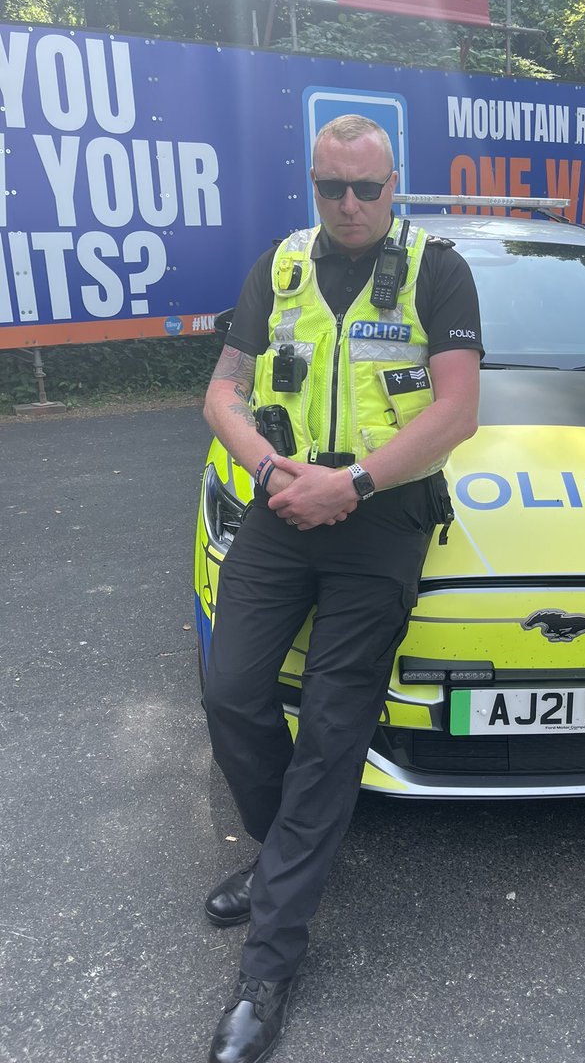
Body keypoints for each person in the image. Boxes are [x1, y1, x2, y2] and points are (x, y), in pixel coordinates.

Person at [201, 114, 482, 1063]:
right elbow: (223, 392)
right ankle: (287, 853)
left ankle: (268, 969)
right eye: (333, 186)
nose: (350, 204)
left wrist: (352, 484)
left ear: (394, 185)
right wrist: (270, 469)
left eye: (367, 187)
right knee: (231, 692)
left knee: (330, 728)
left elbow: (458, 409)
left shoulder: (439, 271)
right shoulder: (278, 268)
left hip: (382, 517)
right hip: (284, 503)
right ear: (313, 183)